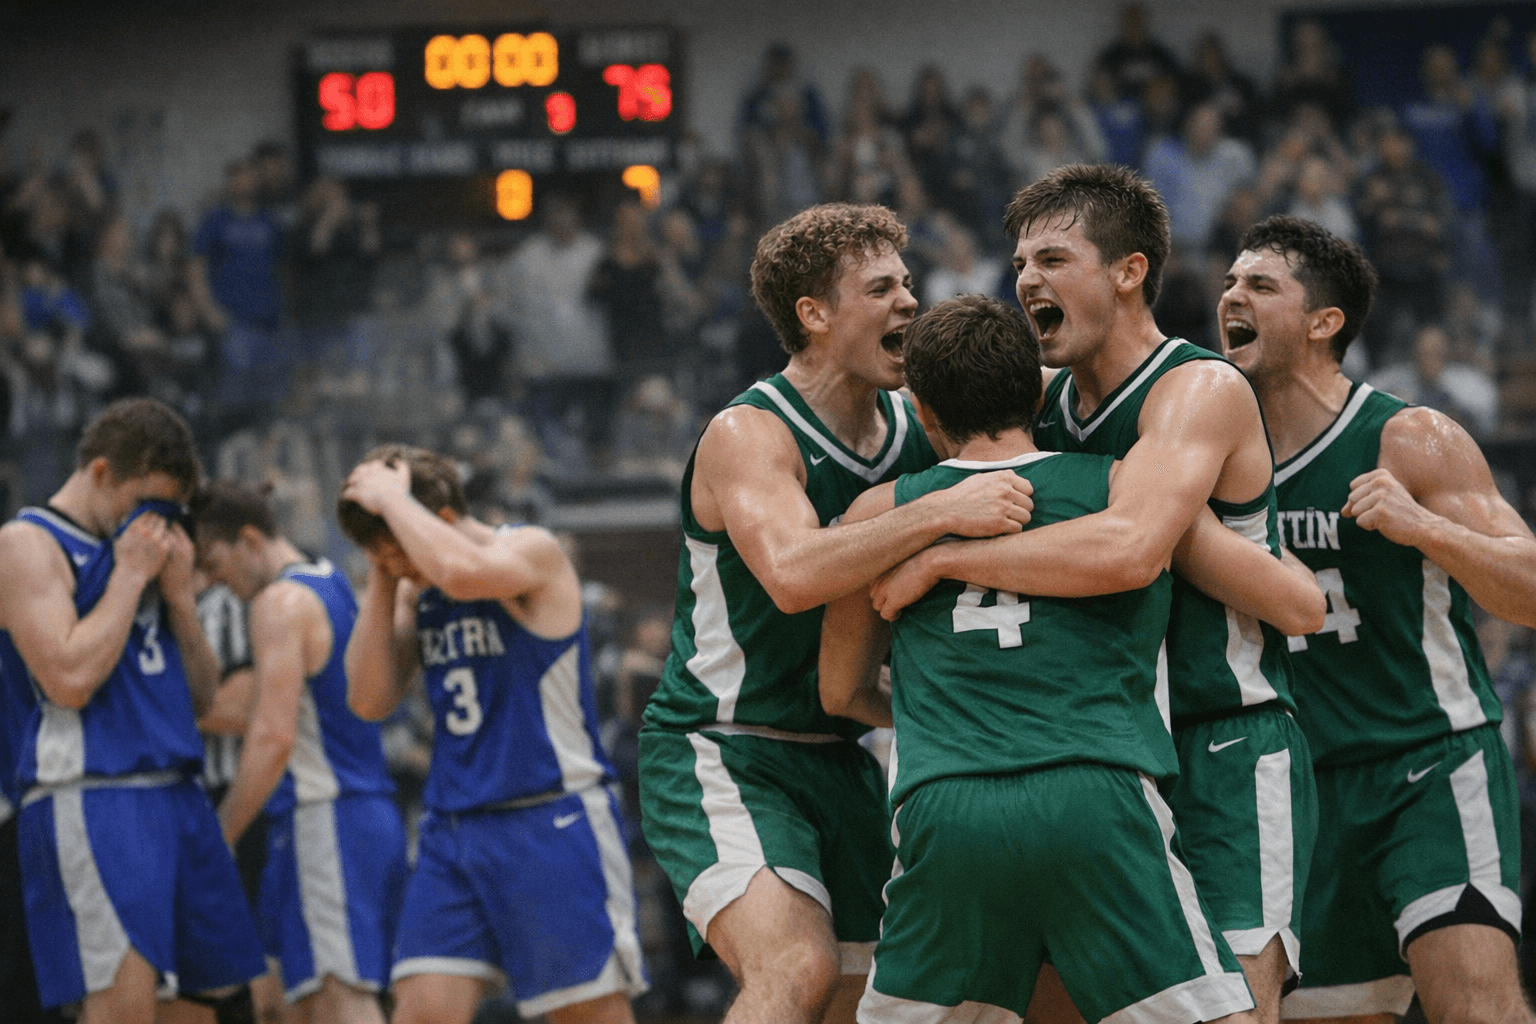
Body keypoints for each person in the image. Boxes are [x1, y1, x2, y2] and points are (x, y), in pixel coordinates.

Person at [871, 165, 1323, 1024]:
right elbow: (931, 412)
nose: (1027, 281)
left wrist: (938, 559)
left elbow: (1128, 549)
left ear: (1129, 271)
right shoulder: (1040, 403)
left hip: (1221, 732)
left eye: (1053, 258)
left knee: (1238, 1009)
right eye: (1019, 265)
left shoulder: (1197, 388)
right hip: (1101, 748)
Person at [637, 202, 1036, 1024]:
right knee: (797, 965)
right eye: (881, 288)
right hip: (724, 743)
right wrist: (938, 514)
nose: (908, 304)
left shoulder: (913, 425)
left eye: (907, 283)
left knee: (872, 998)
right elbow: (791, 573)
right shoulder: (750, 434)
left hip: (844, 745)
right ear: (813, 315)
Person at [1219, 214, 1536, 1024]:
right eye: (1230, 282)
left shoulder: (1408, 437)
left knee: (1476, 1005)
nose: (1230, 296)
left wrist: (1425, 526)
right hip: (1302, 786)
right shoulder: (1214, 452)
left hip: (1426, 760)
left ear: (1325, 322)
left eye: (1259, 285)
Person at [338, 444, 648, 1024]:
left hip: (549, 819)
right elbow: (367, 698)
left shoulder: (532, 551)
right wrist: (384, 577)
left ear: (441, 521)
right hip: (453, 827)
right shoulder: (414, 587)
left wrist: (394, 504)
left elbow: (461, 572)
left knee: (588, 1015)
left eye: (399, 552)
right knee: (421, 1010)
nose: (402, 568)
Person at [0, 397, 264, 1023]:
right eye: (143, 501)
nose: (153, 521)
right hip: (97, 795)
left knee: (207, 1008)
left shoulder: (144, 557)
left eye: (167, 510)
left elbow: (200, 697)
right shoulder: (27, 543)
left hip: (177, 791)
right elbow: (67, 678)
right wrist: (127, 579)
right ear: (100, 473)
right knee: (123, 1009)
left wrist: (177, 601)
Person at [191, 479, 407, 1023]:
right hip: (344, 814)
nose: (218, 580)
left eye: (216, 562)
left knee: (340, 1001)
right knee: (286, 1003)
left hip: (329, 814)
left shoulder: (278, 602)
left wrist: (221, 834)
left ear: (250, 540)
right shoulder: (330, 583)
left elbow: (272, 735)